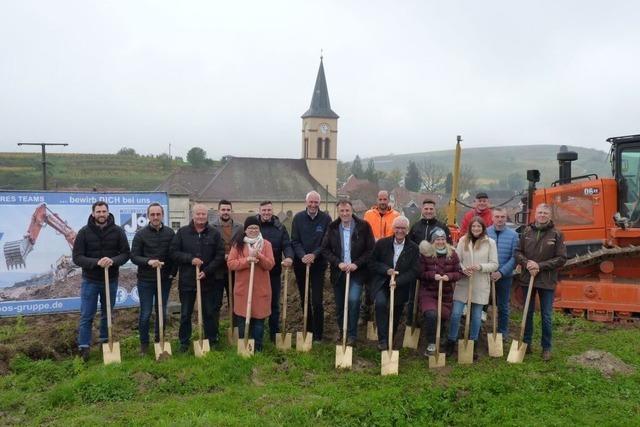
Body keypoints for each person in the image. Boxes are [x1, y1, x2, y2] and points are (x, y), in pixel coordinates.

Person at [72, 201, 130, 362]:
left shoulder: (118, 232)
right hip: (90, 281)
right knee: (86, 315)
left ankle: (106, 342)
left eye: (104, 211)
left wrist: (112, 260)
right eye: (98, 212)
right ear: (93, 214)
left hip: (110, 280)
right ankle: (83, 347)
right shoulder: (83, 232)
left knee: (108, 314)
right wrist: (96, 262)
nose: (101, 214)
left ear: (108, 213)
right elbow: (77, 257)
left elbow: (125, 254)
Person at [514, 203, 566, 361]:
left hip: (546, 280)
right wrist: (527, 263)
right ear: (535, 214)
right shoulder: (526, 231)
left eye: (545, 213)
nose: (542, 215)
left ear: (549, 216)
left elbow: (561, 258)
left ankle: (546, 347)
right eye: (540, 212)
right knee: (527, 313)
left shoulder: (556, 234)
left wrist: (540, 266)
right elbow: (517, 252)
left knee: (546, 315)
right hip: (527, 278)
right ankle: (526, 343)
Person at [170, 204, 225, 352]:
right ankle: (184, 342)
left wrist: (206, 271)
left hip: (207, 280)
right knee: (186, 313)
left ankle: (211, 340)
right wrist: (190, 259)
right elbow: (174, 252)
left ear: (207, 216)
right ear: (192, 215)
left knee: (209, 312)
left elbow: (219, 255)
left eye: (203, 214)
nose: (201, 217)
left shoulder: (214, 233)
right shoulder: (182, 233)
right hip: (187, 281)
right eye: (198, 214)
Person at [321, 199, 375, 345]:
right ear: (338, 212)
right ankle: (342, 330)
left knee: (353, 300)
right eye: (342, 211)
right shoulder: (332, 227)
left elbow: (370, 249)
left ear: (352, 211)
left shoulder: (363, 226)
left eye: (347, 211)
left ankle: (351, 335)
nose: (345, 214)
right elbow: (325, 249)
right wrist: (338, 263)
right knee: (339, 306)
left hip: (357, 272)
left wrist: (356, 264)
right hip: (339, 273)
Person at [446, 217, 498, 359]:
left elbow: (494, 264)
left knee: (476, 316)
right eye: (473, 226)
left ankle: (473, 343)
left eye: (478, 227)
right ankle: (451, 341)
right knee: (456, 313)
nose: (476, 229)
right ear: (470, 228)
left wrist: (480, 267)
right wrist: (463, 269)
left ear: (483, 228)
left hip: (480, 284)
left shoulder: (490, 243)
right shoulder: (463, 240)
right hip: (464, 282)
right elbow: (457, 260)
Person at [131, 202, 176, 355]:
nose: (155, 217)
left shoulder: (170, 233)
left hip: (164, 280)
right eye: (152, 214)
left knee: (162, 311)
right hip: (145, 280)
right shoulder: (141, 234)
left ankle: (160, 340)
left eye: (158, 214)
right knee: (145, 313)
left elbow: (174, 255)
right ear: (148, 216)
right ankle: (144, 344)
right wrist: (148, 261)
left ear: (162, 215)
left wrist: (172, 273)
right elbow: (134, 256)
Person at [369, 216, 420, 351]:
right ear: (393, 228)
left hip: (400, 286)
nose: (400, 230)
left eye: (403, 228)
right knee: (380, 304)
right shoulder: (382, 244)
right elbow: (372, 263)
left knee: (396, 313)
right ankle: (383, 340)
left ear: (407, 230)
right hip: (382, 283)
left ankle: (391, 338)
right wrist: (386, 270)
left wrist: (399, 281)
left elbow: (414, 270)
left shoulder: (413, 248)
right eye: (397, 227)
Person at [227, 216, 275, 352]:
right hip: (243, 290)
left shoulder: (266, 245)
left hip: (260, 290)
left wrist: (259, 256)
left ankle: (258, 348)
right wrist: (247, 260)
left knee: (259, 321)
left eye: (256, 227)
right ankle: (245, 347)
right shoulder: (238, 244)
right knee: (242, 320)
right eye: (250, 228)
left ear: (259, 229)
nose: (253, 230)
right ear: (245, 230)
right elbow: (231, 263)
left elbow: (270, 265)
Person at [290, 191, 331, 341]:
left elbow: (326, 242)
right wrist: (303, 256)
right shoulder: (298, 218)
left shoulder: (326, 219)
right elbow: (294, 240)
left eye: (316, 202)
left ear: (319, 203)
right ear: (306, 202)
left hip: (318, 264)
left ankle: (319, 335)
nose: (313, 205)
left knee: (317, 300)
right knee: (304, 298)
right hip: (301, 264)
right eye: (311, 202)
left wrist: (314, 255)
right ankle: (309, 331)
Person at [407, 198, 452, 326]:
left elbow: (448, 247)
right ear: (422, 210)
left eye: (431, 209)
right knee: (413, 297)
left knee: (435, 297)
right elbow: (409, 246)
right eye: (426, 209)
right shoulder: (415, 226)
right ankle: (411, 323)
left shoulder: (442, 227)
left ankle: (436, 324)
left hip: (435, 268)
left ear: (435, 211)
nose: (428, 211)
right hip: (416, 268)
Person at [418, 228, 463, 356]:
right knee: (431, 314)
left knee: (443, 317)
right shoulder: (426, 254)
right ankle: (431, 344)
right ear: (433, 241)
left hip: (446, 293)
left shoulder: (452, 254)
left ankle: (441, 336)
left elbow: (458, 272)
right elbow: (420, 273)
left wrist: (449, 276)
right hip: (428, 292)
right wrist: (433, 275)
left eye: (442, 239)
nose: (440, 241)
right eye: (437, 239)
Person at [255, 201, 294, 342]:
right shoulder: (253, 226)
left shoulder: (280, 227)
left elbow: (287, 244)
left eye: (269, 210)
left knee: (274, 304)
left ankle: (274, 333)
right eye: (264, 210)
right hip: (256, 273)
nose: (266, 213)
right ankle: (255, 333)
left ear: (272, 211)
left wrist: (289, 257)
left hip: (274, 272)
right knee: (256, 302)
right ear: (259, 211)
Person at [361, 190, 400, 324]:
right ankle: (366, 311)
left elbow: (398, 234)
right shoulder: (368, 215)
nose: (383, 202)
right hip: (371, 254)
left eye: (385, 199)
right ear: (377, 200)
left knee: (386, 284)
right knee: (368, 284)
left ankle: (383, 313)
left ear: (389, 200)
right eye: (380, 199)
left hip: (388, 254)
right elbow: (363, 233)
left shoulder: (396, 215)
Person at [486, 207, 519, 339]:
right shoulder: (486, 233)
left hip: (505, 276)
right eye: (497, 217)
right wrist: (488, 270)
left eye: (502, 217)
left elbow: (515, 257)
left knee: (503, 306)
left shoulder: (513, 235)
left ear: (506, 218)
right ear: (492, 218)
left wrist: (501, 272)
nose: (500, 219)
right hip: (486, 275)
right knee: (481, 303)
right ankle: (479, 330)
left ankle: (502, 332)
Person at [211, 199, 242, 331]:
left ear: (231, 211)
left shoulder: (240, 228)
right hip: (218, 270)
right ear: (219, 211)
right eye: (223, 210)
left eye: (228, 210)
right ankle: (214, 332)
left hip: (235, 271)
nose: (225, 212)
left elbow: (242, 247)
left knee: (235, 302)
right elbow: (210, 248)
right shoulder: (211, 227)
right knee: (215, 303)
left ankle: (235, 330)